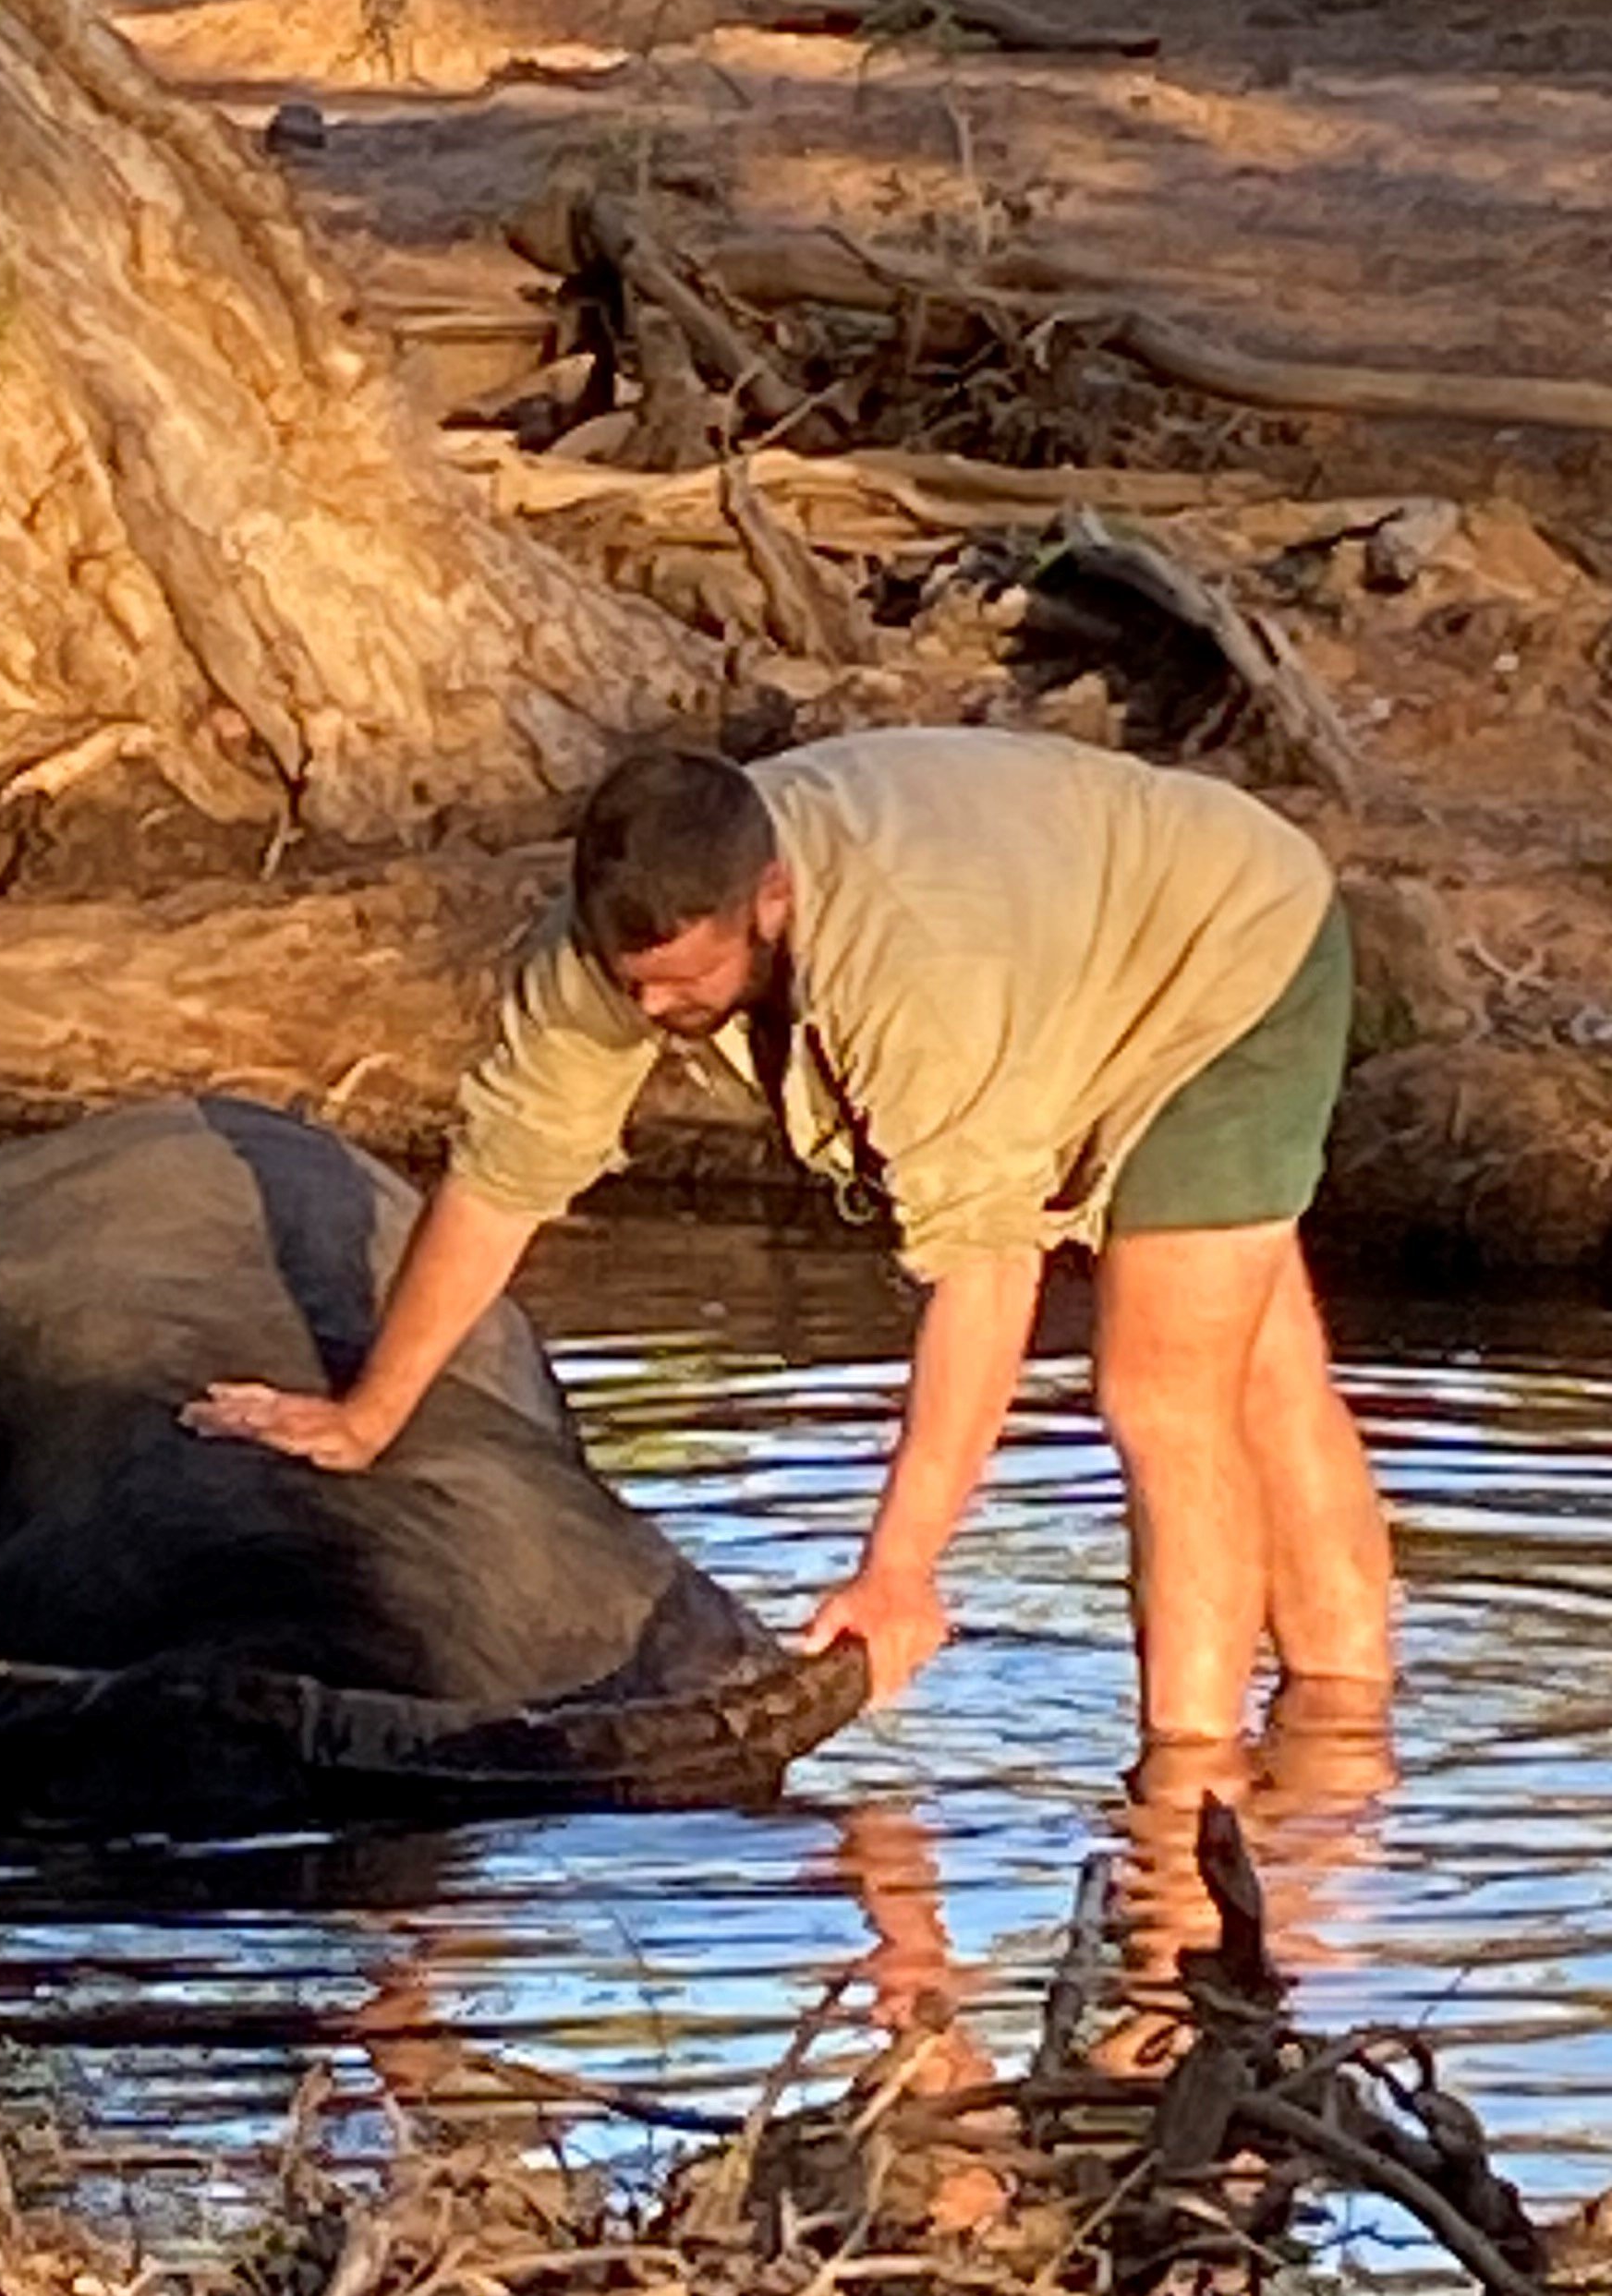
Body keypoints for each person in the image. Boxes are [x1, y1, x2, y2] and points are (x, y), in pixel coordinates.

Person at [185, 729, 1393, 1753]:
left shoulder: (913, 966)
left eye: (689, 982)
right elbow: (502, 1180)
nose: (656, 1012)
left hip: (1227, 961)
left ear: (771, 900)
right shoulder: (610, 956)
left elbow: (983, 1275)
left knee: (1161, 1390)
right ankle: (1347, 1754)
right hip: (1074, 964)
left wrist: (900, 1569)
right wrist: (369, 1412)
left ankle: (1188, 1794)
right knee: (1263, 1365)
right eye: (634, 986)